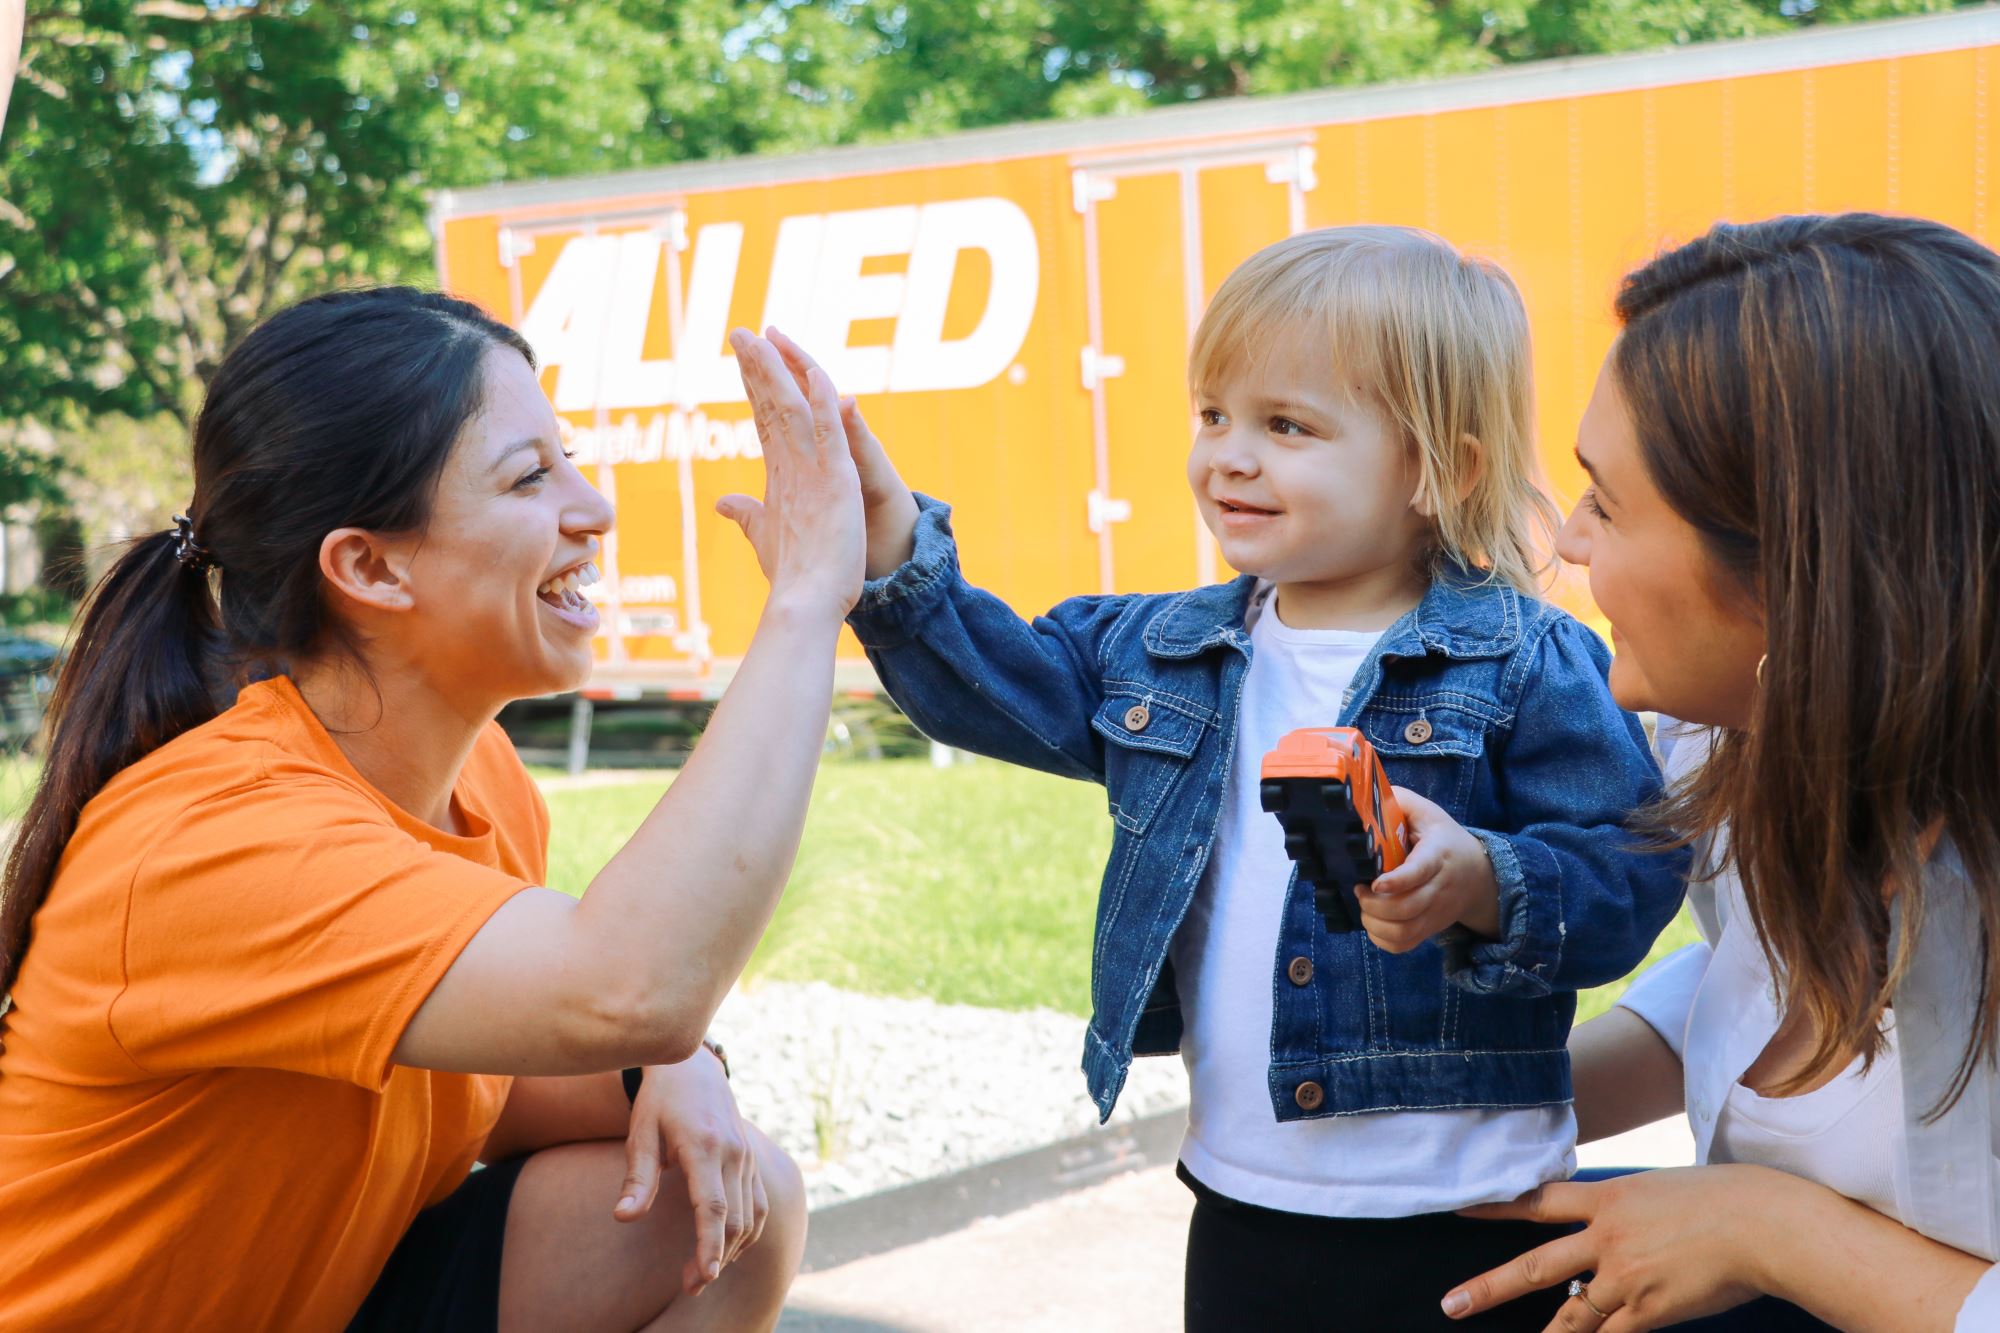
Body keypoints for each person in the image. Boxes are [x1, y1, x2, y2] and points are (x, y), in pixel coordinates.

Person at [729, 226, 1687, 1330]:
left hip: (1470, 1213)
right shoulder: (1160, 649)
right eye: (1213, 415)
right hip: (1240, 1202)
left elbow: (1630, 865)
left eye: (1286, 425)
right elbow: (993, 686)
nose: (1228, 454)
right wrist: (888, 552)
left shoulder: (1526, 659)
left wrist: (1481, 879)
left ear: (1442, 469)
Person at [0, 287, 866, 1331]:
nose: (590, 507)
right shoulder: (221, 836)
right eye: (528, 477)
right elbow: (629, 988)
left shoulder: (483, 780)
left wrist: (666, 1068)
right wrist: (806, 596)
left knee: (722, 1206)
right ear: (367, 565)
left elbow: (495, 1083)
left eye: (570, 457)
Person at [1441, 213, 2000, 1331]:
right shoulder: (1728, 736)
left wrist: (1770, 1229)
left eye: (1604, 499)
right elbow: (1759, 968)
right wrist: (1502, 1103)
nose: (1569, 544)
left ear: (1793, 569)